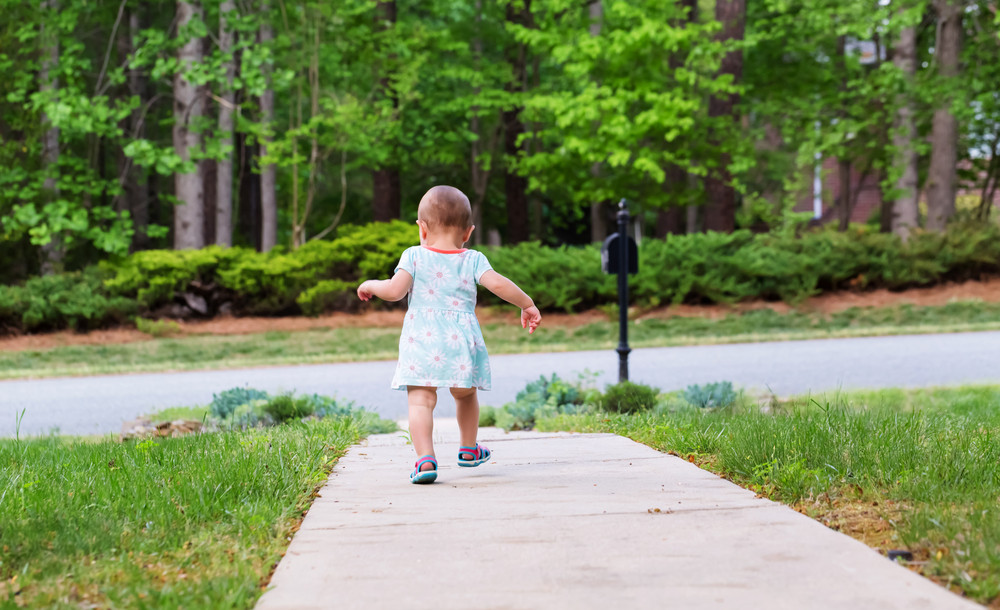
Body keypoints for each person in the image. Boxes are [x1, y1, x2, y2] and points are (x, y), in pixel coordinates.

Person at [357, 185, 542, 484]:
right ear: (468, 233)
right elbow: (498, 284)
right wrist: (527, 304)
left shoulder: (414, 256)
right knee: (465, 394)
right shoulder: (473, 259)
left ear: (422, 227)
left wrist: (369, 284)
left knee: (420, 400)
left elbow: (393, 291)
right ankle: (468, 449)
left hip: (422, 339)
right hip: (459, 341)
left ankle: (425, 459)